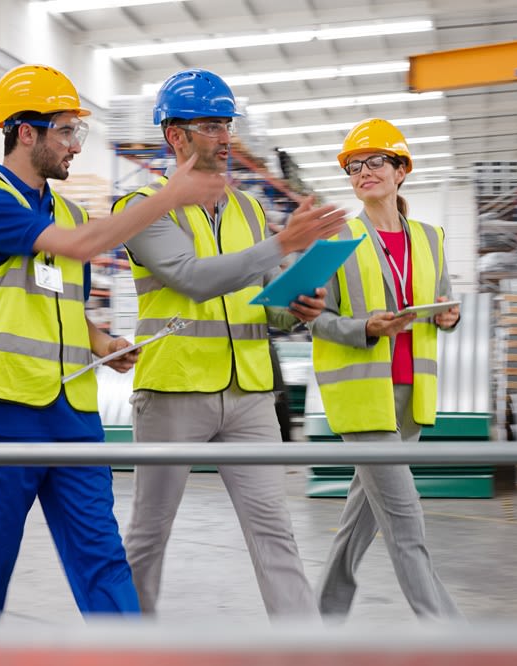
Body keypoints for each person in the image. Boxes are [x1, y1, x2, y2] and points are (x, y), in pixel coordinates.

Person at [0, 63, 219, 614]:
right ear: (27, 132)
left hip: (73, 411)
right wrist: (169, 196)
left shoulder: (65, 208)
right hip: (7, 414)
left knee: (103, 559)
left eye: (77, 133)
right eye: (66, 131)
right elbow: (80, 245)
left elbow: (60, 302)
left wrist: (101, 342)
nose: (75, 146)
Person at [114, 68, 346, 619]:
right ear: (176, 136)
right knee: (149, 536)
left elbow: (265, 300)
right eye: (212, 125)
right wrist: (283, 244)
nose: (224, 136)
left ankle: (305, 653)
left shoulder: (248, 209)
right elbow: (192, 278)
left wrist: (297, 309)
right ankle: (127, 644)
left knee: (275, 534)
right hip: (175, 390)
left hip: (249, 393)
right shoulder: (143, 206)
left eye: (226, 124)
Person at [309, 118, 462, 620]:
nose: (363, 172)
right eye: (354, 166)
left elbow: (441, 307)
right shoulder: (337, 241)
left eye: (375, 161)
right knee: (405, 521)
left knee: (362, 519)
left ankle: (323, 620)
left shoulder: (431, 238)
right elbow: (317, 322)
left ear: (401, 171)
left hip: (410, 395)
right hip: (362, 397)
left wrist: (448, 316)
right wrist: (367, 328)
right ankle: (450, 635)